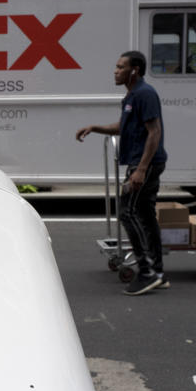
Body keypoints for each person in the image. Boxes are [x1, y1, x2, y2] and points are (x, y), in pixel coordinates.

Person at [76, 51, 168, 295]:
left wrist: (141, 169)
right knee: (146, 216)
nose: (115, 71)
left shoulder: (145, 94)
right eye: (116, 67)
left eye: (120, 67)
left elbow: (154, 132)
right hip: (142, 163)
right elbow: (123, 126)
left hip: (144, 164)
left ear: (134, 70)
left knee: (127, 212)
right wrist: (95, 127)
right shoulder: (132, 96)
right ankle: (158, 272)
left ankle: (147, 272)